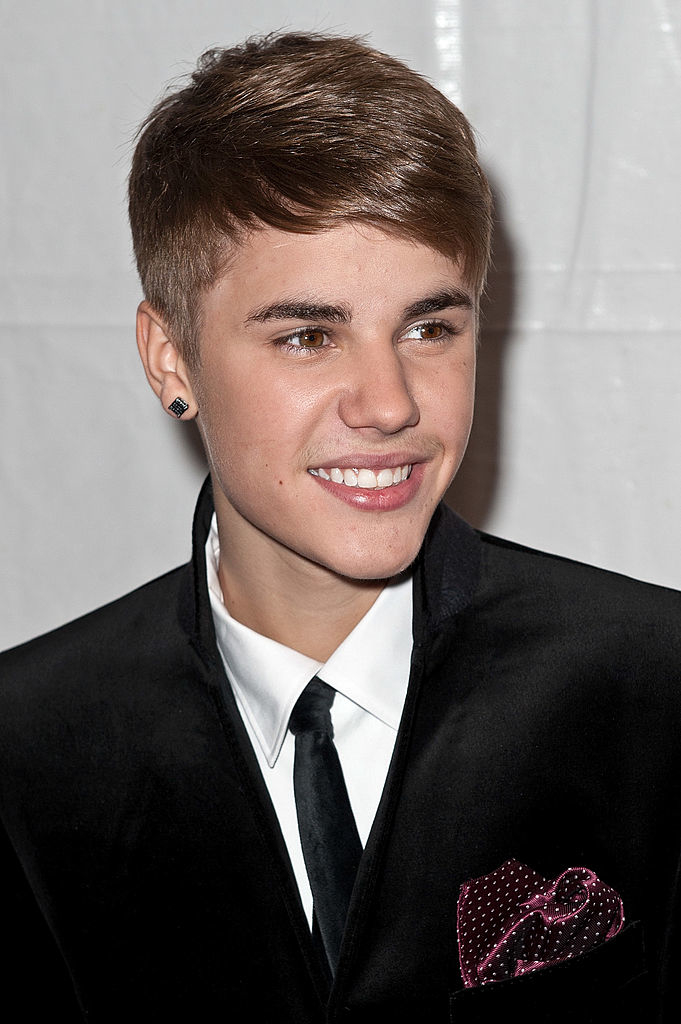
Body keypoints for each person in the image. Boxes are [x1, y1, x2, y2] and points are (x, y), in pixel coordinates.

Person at [0, 31, 679, 1024]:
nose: (391, 400)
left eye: (430, 326)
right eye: (309, 335)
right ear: (169, 360)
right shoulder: (27, 752)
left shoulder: (657, 691)